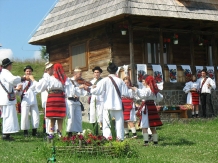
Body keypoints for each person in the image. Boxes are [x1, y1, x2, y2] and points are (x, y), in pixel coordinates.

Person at [90, 62, 129, 140]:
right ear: (116, 71)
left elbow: (96, 92)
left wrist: (92, 88)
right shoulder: (120, 81)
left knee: (107, 124)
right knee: (119, 124)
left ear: (108, 71)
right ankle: (120, 139)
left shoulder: (104, 80)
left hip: (108, 105)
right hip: (118, 105)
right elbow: (126, 93)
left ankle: (108, 138)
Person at [0, 58, 30, 140]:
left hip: (5, 98)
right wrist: (23, 78)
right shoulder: (6, 73)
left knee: (8, 116)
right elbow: (12, 80)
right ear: (9, 65)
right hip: (7, 99)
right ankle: (6, 135)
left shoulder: (3, 73)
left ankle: (7, 134)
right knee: (8, 116)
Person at [35, 63, 67, 137]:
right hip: (53, 98)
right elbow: (41, 87)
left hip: (59, 98)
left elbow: (68, 88)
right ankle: (51, 134)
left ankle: (59, 134)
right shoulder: (49, 78)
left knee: (60, 118)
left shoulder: (63, 79)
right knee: (53, 118)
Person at [131, 75, 163, 146]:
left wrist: (135, 89)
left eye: (144, 81)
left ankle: (146, 142)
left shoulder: (147, 90)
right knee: (152, 126)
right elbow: (160, 98)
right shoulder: (154, 91)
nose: (143, 82)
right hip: (152, 107)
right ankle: (155, 142)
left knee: (144, 126)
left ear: (147, 81)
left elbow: (142, 95)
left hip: (147, 107)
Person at [18, 65, 39, 136]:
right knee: (24, 115)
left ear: (31, 72)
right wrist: (20, 91)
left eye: (30, 71)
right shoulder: (21, 80)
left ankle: (34, 131)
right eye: (27, 71)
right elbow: (18, 92)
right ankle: (25, 132)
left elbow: (38, 88)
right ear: (25, 72)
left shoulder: (33, 80)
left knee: (35, 115)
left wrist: (33, 93)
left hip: (33, 99)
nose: (28, 72)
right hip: (25, 100)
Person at [66, 67, 87, 137]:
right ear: (75, 74)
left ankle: (78, 133)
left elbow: (82, 93)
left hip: (77, 102)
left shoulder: (79, 82)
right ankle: (69, 133)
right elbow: (70, 91)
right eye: (79, 74)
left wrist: (87, 88)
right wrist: (79, 87)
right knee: (71, 118)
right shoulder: (69, 81)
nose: (81, 75)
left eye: (81, 74)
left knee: (78, 118)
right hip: (70, 101)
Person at [89, 66, 104, 133]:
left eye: (98, 72)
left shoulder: (103, 81)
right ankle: (95, 132)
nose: (96, 74)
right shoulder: (91, 82)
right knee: (93, 115)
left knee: (101, 115)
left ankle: (104, 132)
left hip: (101, 100)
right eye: (95, 72)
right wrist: (91, 87)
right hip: (93, 100)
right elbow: (88, 91)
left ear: (100, 73)